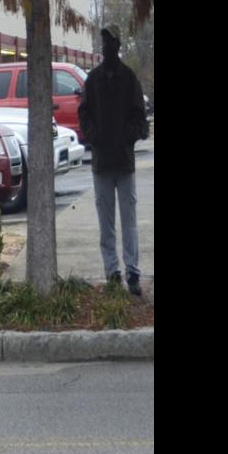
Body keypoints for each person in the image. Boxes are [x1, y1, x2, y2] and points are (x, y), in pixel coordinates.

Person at [78, 24, 149, 297]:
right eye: (103, 42)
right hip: (101, 165)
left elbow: (139, 117)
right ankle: (112, 271)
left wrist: (125, 137)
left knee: (128, 221)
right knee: (105, 223)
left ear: (118, 46)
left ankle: (132, 271)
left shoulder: (129, 79)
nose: (106, 47)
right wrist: (95, 137)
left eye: (111, 42)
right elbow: (84, 112)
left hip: (124, 162)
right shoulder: (92, 80)